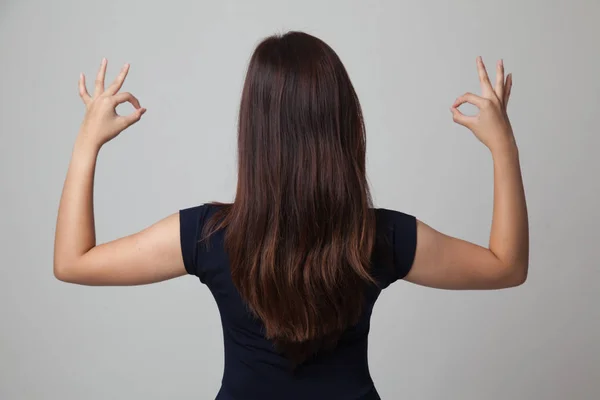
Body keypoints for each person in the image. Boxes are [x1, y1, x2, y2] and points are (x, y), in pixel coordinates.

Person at [53, 31, 528, 400]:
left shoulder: (209, 234)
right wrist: (503, 145)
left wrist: (86, 144)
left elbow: (73, 262)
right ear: (343, 124)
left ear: (254, 131)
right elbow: (506, 266)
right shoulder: (380, 236)